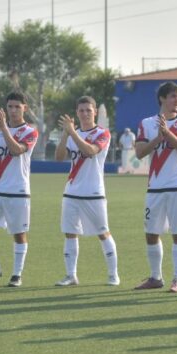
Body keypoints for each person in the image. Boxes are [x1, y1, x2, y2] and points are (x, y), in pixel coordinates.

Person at [133, 82, 177, 293]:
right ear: (162, 99)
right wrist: (158, 138)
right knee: (151, 233)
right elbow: (140, 152)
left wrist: (168, 134)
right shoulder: (146, 123)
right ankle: (155, 277)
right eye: (172, 97)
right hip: (155, 187)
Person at [55, 96, 119, 286]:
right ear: (77, 112)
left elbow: (90, 151)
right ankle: (71, 275)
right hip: (71, 192)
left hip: (94, 193)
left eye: (88, 110)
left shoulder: (103, 133)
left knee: (103, 233)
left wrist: (72, 133)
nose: (84, 114)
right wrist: (66, 134)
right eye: (81, 110)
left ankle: (113, 274)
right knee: (70, 233)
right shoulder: (72, 134)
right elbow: (59, 158)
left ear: (95, 112)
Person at [0, 91, 38, 288]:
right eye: (10, 107)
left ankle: (16, 274)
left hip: (18, 191)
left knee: (18, 233)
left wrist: (3, 128)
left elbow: (16, 150)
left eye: (17, 107)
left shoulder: (30, 131)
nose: (13, 110)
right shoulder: (0, 130)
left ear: (24, 109)